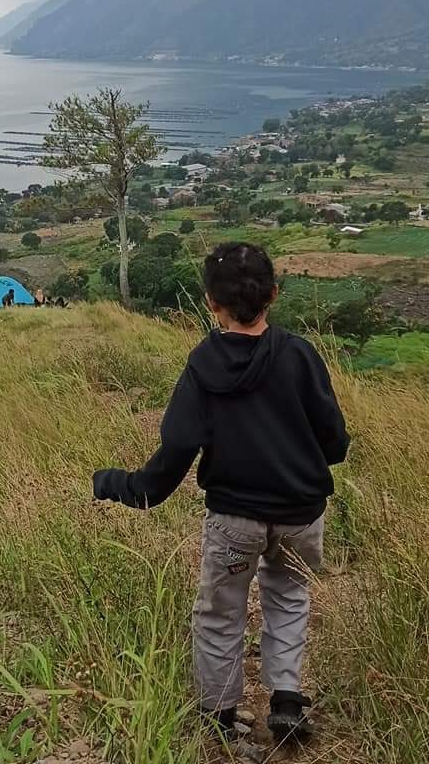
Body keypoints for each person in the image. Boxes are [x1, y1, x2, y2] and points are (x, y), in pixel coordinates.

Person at [92, 242, 349, 741]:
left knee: (220, 612)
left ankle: (220, 715)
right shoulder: (299, 355)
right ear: (273, 294)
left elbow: (178, 449)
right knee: (290, 598)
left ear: (211, 302)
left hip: (233, 520)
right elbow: (334, 440)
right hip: (301, 513)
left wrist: (119, 485)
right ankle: (287, 700)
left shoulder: (203, 365)